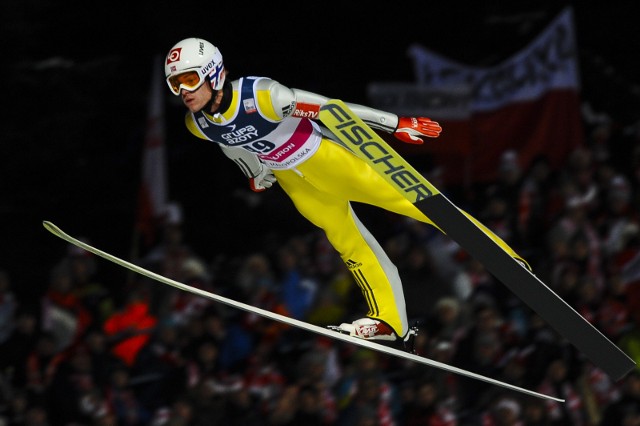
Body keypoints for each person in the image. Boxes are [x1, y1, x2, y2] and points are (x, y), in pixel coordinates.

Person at [163, 37, 529, 343]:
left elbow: (331, 109)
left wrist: (396, 124)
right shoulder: (197, 124)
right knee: (348, 243)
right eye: (175, 83)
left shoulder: (264, 95)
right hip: (296, 183)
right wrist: (256, 171)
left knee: (415, 203)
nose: (184, 91)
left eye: (190, 79)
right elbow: (229, 142)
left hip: (328, 160)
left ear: (216, 73)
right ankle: (390, 319)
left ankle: (504, 257)